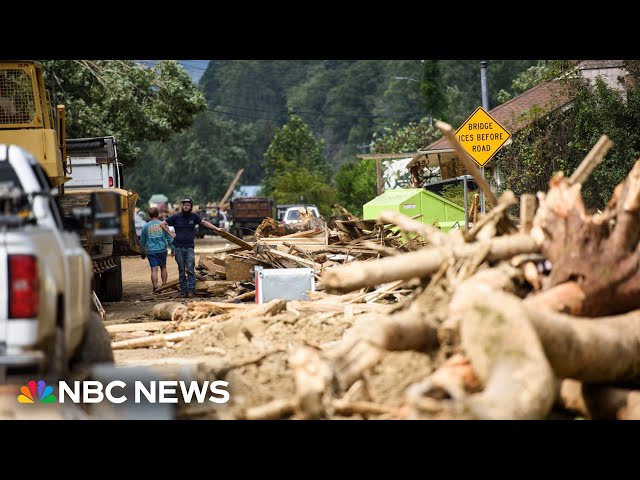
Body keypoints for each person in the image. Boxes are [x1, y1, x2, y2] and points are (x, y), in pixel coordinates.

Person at [161, 197, 220, 298]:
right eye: (184, 205)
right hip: (178, 247)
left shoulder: (194, 217)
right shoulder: (176, 217)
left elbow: (204, 222)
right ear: (182, 206)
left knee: (190, 269)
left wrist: (216, 228)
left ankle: (191, 290)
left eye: (188, 205)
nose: (186, 206)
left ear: (191, 206)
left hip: (189, 247)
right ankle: (184, 290)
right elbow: (163, 224)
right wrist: (170, 233)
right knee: (181, 269)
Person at [140, 207, 175, 293]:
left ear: (149, 215)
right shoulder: (162, 224)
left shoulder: (145, 227)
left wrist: (142, 252)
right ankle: (164, 285)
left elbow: (142, 242)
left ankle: (155, 287)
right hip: (162, 250)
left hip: (151, 251)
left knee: (154, 269)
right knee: (163, 267)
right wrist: (173, 248)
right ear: (158, 214)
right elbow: (169, 238)